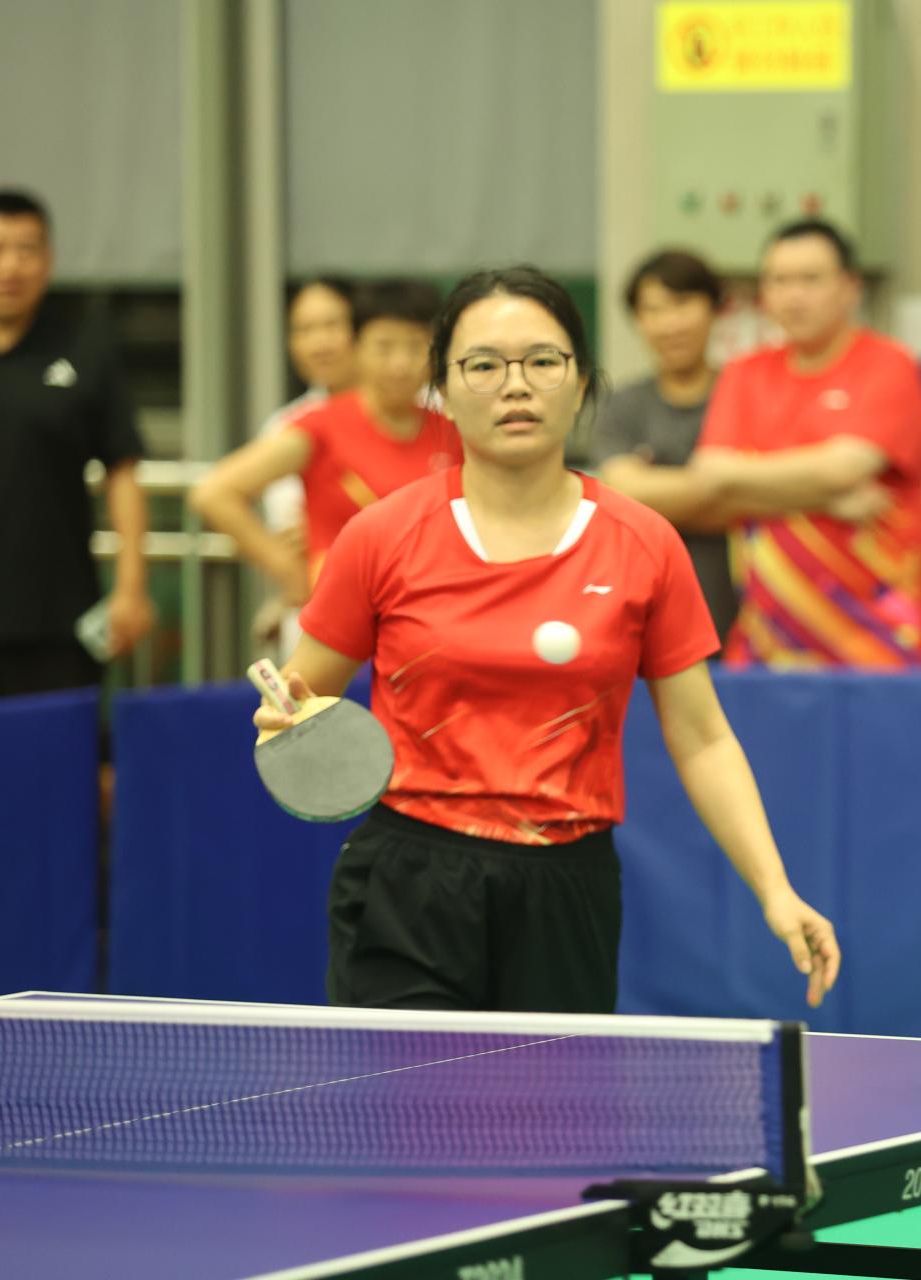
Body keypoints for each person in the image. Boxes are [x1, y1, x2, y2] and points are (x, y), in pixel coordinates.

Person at [252, 265, 839, 1014]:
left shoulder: (644, 544)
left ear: (582, 379)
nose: (516, 386)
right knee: (405, 1093)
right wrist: (281, 724)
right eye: (484, 366)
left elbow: (702, 739)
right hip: (411, 879)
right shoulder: (381, 537)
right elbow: (302, 699)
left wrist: (776, 889)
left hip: (567, 883)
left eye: (542, 361)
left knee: (548, 1094)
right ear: (444, 388)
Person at [0, 189, 154, 709]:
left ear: (48, 261)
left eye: (26, 249)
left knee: (59, 759)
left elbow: (123, 471)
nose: (9, 266)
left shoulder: (87, 352)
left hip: (58, 621)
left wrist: (131, 588)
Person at [691, 219, 921, 669]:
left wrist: (752, 484)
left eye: (810, 279)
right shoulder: (743, 373)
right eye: (778, 281)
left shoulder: (891, 365)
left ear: (850, 288)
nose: (793, 296)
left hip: (880, 644)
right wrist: (825, 497)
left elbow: (844, 468)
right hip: (766, 648)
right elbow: (709, 477)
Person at [190, 281, 456, 612]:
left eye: (416, 347)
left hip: (431, 613)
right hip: (344, 618)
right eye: (384, 347)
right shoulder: (321, 426)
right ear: (356, 347)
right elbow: (214, 493)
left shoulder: (453, 430)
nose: (400, 364)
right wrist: (288, 571)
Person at [587, 249, 739, 641]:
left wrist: (662, 497)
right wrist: (743, 498)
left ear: (714, 309)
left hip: (748, 617)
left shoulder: (745, 394)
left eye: (682, 304)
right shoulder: (622, 406)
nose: (670, 323)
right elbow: (624, 495)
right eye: (653, 310)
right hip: (648, 614)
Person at [248, 277, 359, 655]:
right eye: (303, 330)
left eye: (331, 325)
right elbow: (293, 535)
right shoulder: (286, 427)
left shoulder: (424, 413)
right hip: (320, 618)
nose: (318, 343)